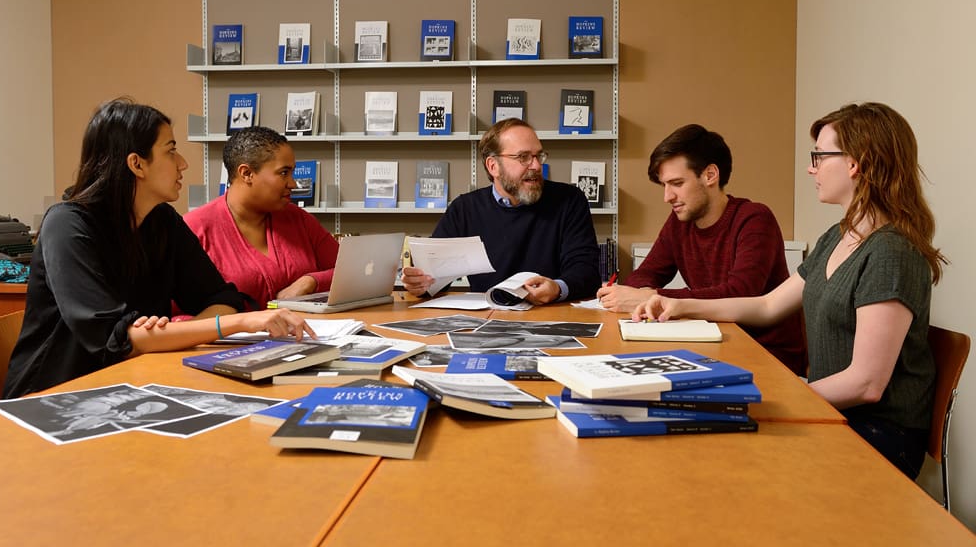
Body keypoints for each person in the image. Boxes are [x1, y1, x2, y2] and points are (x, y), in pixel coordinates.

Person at [633, 102, 944, 479]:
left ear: (855, 163)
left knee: (719, 455)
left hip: (878, 433)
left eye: (820, 156)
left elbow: (866, 384)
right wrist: (680, 306)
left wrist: (771, 400)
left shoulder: (890, 252)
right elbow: (767, 305)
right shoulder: (839, 237)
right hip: (832, 412)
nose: (812, 168)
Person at [3, 99, 315, 399]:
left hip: (135, 384)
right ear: (136, 164)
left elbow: (222, 299)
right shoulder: (67, 225)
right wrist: (243, 322)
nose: (183, 163)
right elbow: (119, 340)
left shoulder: (162, 221)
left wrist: (166, 337)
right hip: (54, 396)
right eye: (171, 151)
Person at [597, 124, 806, 375]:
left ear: (710, 175)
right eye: (664, 185)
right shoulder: (679, 222)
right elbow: (644, 275)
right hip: (714, 346)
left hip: (766, 357)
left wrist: (656, 298)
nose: (667, 196)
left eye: (676, 183)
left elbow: (741, 293)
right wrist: (644, 295)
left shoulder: (755, 218)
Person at [402, 118, 600, 303]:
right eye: (523, 157)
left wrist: (557, 288)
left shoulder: (569, 200)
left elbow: (587, 273)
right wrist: (420, 284)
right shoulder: (464, 209)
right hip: (485, 321)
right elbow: (433, 277)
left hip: (551, 317)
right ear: (493, 166)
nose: (537, 165)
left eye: (538, 155)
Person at [185, 126, 339, 309]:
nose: (293, 183)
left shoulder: (300, 220)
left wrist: (310, 281)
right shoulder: (194, 229)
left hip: (309, 334)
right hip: (229, 337)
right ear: (247, 173)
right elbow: (174, 315)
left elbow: (349, 272)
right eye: (284, 173)